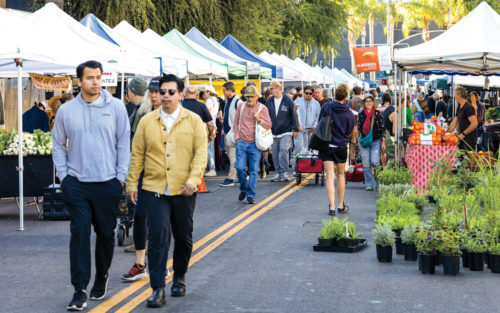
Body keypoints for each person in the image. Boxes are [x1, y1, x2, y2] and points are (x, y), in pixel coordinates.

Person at [52, 60, 130, 311]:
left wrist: (120, 177)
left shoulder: (116, 107)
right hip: (77, 185)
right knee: (80, 234)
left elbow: (123, 144)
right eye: (90, 78)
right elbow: (57, 144)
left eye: (98, 77)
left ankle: (102, 275)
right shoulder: (66, 111)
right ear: (79, 81)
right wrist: (64, 177)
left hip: (107, 182)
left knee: (106, 234)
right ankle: (79, 289)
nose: (95, 82)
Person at [126, 74, 207, 308]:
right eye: (162, 92)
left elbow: (200, 153)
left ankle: (179, 277)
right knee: (158, 238)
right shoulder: (147, 121)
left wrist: (193, 179)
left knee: (183, 237)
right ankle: (157, 288)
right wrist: (132, 183)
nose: (166, 96)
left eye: (171, 92)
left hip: (184, 189)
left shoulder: (192, 121)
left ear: (181, 95)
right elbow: (137, 154)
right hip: (154, 188)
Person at [122, 76, 171, 281]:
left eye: (158, 91)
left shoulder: (174, 117)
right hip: (142, 174)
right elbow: (133, 148)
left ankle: (161, 265)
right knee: (140, 217)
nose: (154, 95)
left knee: (160, 222)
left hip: (165, 174)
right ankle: (140, 264)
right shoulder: (140, 115)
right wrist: (131, 180)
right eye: (151, 92)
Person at [318, 83, 354, 215]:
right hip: (341, 146)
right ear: (346, 97)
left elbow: (320, 122)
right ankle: (340, 205)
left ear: (334, 94)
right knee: (340, 175)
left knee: (329, 177)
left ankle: (331, 206)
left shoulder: (327, 107)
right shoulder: (349, 113)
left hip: (327, 145)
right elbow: (349, 131)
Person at [233, 85, 272, 204]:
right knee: (239, 167)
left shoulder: (262, 108)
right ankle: (244, 189)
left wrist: (259, 119)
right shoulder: (241, 106)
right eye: (247, 96)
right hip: (241, 142)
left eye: (251, 96)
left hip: (255, 144)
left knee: (254, 170)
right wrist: (237, 137)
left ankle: (250, 194)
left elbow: (269, 125)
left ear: (256, 97)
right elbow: (235, 123)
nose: (249, 99)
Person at [265, 80, 299, 182]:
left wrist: (295, 128)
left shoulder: (287, 100)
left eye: (272, 88)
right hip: (273, 131)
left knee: (283, 149)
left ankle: (284, 172)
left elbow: (294, 115)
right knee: (275, 153)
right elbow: (265, 115)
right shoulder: (269, 101)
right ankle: (277, 172)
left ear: (278, 89)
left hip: (286, 131)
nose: (270, 90)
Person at [358, 94, 385, 191]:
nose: (369, 103)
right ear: (364, 103)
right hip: (364, 142)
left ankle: (378, 182)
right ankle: (369, 184)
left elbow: (382, 129)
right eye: (367, 101)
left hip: (375, 141)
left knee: (375, 162)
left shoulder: (378, 114)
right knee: (366, 163)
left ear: (373, 103)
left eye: (370, 101)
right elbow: (359, 128)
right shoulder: (361, 114)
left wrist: (383, 142)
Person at [220, 82, 243, 187]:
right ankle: (239, 175)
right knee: (231, 155)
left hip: (233, 133)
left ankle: (231, 178)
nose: (223, 92)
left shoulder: (237, 102)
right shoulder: (228, 101)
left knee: (232, 156)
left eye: (224, 90)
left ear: (229, 90)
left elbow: (241, 118)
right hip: (227, 133)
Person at [447, 87, 478, 151]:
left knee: (467, 159)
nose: (454, 97)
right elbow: (454, 122)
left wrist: (464, 134)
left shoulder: (468, 107)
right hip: (462, 138)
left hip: (469, 139)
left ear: (459, 96)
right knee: (460, 158)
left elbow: (475, 123)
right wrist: (446, 133)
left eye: (455, 95)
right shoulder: (459, 107)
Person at [294, 85, 321, 154]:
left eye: (310, 93)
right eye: (306, 93)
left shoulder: (316, 103)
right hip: (300, 130)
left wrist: (315, 126)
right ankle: (297, 164)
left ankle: (308, 165)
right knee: (299, 149)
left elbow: (318, 116)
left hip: (311, 130)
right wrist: (295, 128)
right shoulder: (297, 101)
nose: (308, 95)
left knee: (310, 151)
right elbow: (293, 115)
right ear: (303, 93)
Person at [203, 86, 219, 177]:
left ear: (209, 92)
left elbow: (208, 113)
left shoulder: (209, 100)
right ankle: (211, 168)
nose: (204, 94)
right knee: (210, 148)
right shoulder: (215, 100)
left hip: (208, 126)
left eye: (205, 92)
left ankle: (212, 168)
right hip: (213, 125)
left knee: (208, 148)